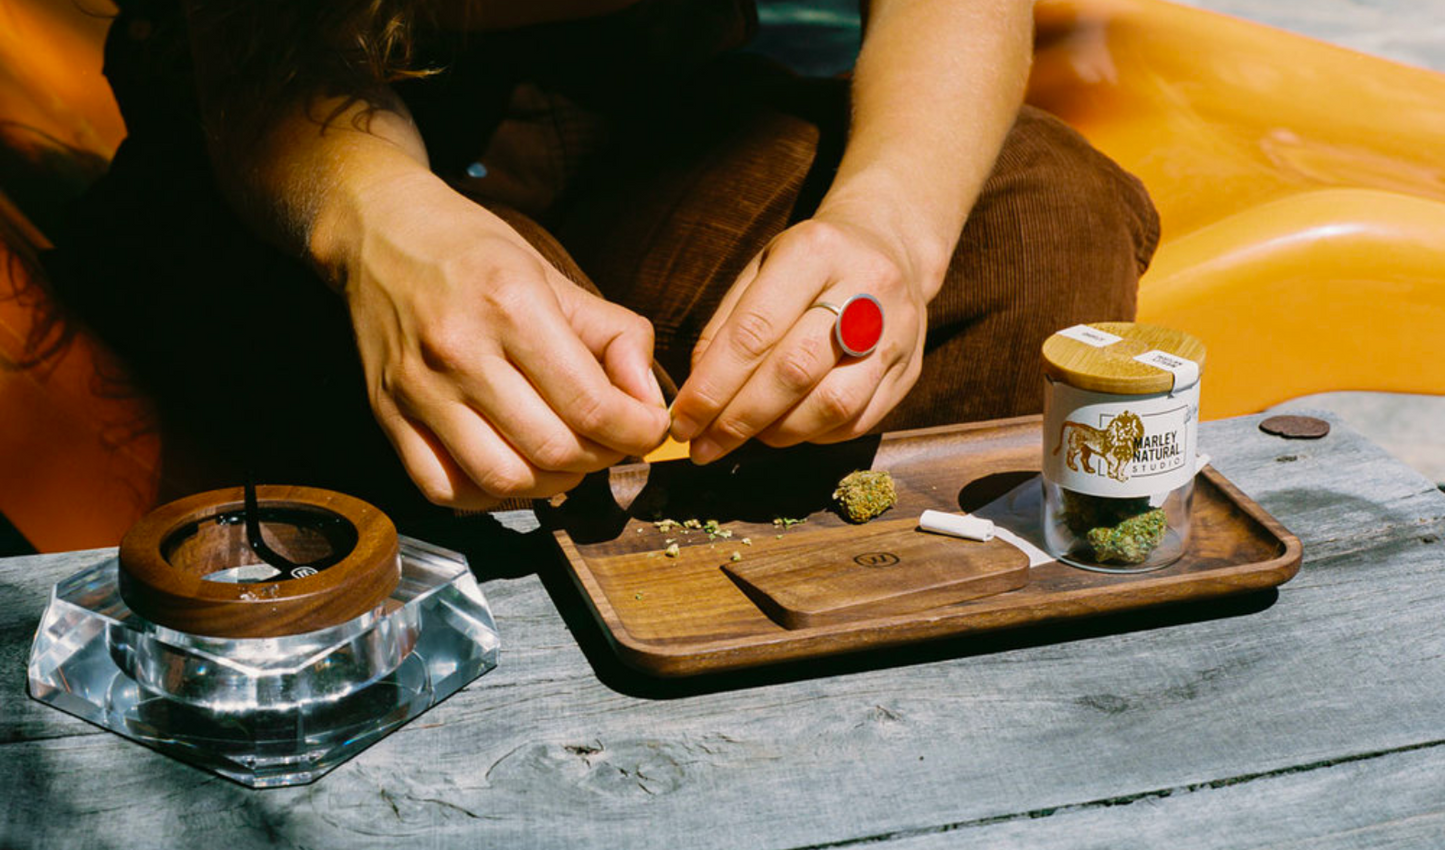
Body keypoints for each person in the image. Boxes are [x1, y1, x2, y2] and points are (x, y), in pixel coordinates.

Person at [52, 0, 1157, 527]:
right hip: (283, 132)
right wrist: (380, 225)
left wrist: (889, 234)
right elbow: (249, 47)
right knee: (477, 395)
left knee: (1035, 219)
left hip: (637, 105)